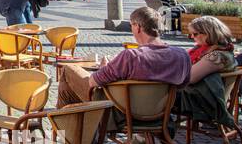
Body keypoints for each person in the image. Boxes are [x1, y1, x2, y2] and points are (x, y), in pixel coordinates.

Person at [57, 7, 190, 105]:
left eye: (131, 25)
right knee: (69, 90)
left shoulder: (131, 56)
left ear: (138, 27)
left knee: (68, 71)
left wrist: (104, 68)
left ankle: (65, 129)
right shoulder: (182, 55)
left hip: (120, 111)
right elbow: (182, 86)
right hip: (162, 110)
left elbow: (92, 82)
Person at [174, 16, 239, 129]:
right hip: (203, 97)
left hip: (202, 103)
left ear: (207, 33)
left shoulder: (216, 56)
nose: (192, 37)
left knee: (157, 96)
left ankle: (160, 132)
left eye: (194, 34)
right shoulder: (220, 51)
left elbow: (189, 77)